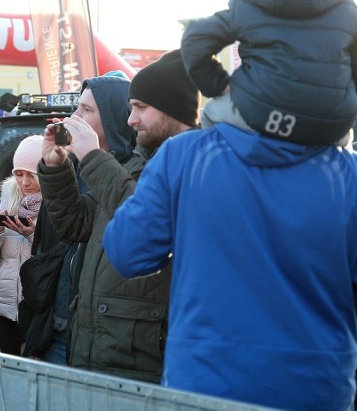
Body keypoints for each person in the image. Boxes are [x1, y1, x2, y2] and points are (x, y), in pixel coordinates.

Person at [103, 98, 356, 407]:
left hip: (204, 382)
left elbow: (127, 252)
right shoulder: (347, 172)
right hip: (314, 386)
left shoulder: (184, 155)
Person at [38, 55, 199, 382]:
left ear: (170, 109)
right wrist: (55, 170)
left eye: (140, 107)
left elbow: (145, 224)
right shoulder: (134, 164)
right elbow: (79, 225)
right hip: (102, 340)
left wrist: (93, 157)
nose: (131, 119)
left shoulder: (193, 163)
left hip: (140, 351)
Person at [182, 0, 357, 147]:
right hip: (328, 124)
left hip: (263, 113)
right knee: (344, 140)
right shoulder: (347, 10)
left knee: (209, 112)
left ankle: (227, 166)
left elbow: (195, 39)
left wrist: (218, 85)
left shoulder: (247, 5)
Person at [0, 135, 43, 355]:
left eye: (31, 175)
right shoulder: (7, 200)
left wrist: (31, 236)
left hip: (38, 311)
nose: (25, 182)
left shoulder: (57, 205)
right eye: (19, 174)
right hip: (6, 311)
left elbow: (57, 258)